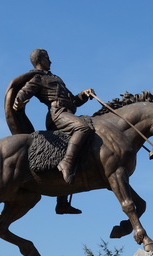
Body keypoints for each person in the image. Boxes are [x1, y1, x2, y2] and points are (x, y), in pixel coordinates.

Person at [11, 49, 95, 189]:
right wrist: (18, 101)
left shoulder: (56, 78)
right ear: (39, 60)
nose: (50, 61)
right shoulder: (37, 77)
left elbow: (73, 101)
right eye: (47, 58)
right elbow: (24, 93)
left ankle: (62, 203)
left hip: (67, 113)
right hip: (57, 114)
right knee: (83, 127)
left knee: (77, 146)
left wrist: (84, 94)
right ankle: (66, 163)